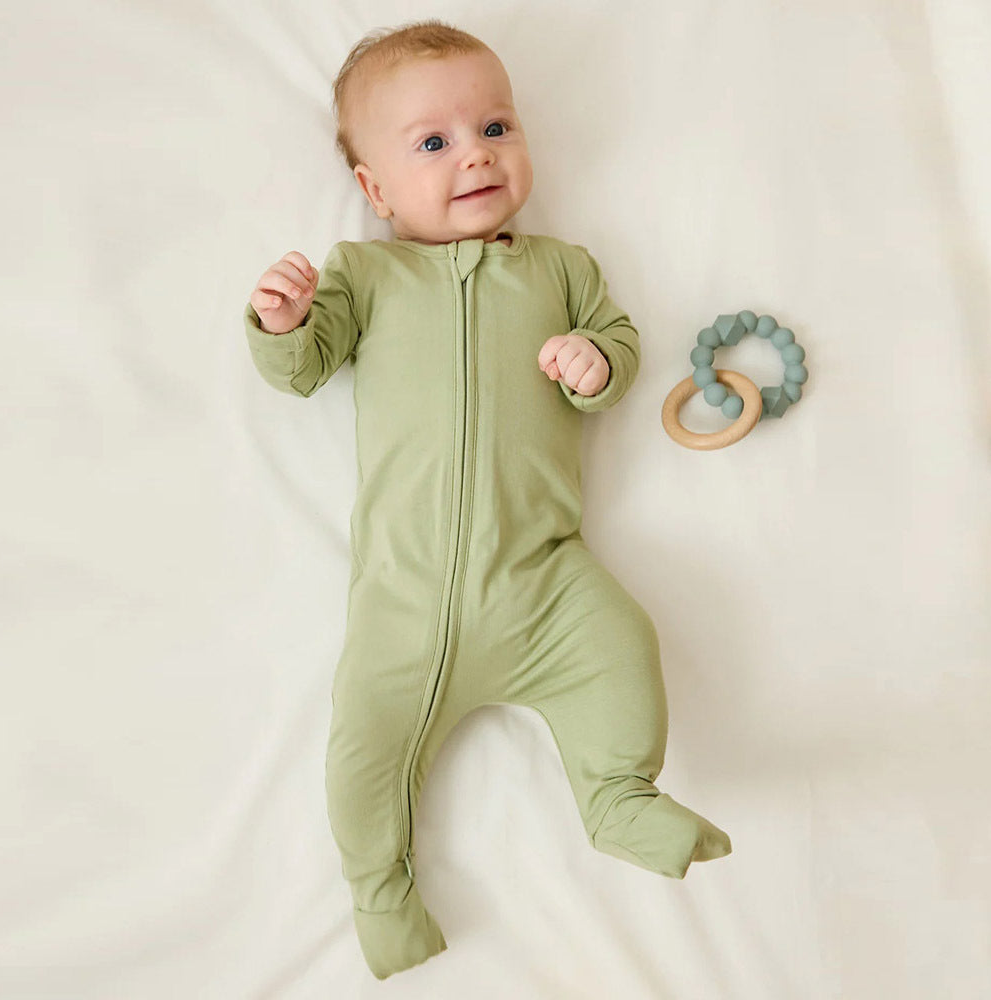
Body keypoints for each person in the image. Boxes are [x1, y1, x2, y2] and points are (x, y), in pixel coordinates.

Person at [243, 19, 732, 981]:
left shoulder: (563, 268)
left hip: (542, 579)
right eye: (433, 142)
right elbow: (303, 370)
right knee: (362, 749)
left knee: (620, 642)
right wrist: (285, 321)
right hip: (405, 600)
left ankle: (616, 795)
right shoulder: (365, 275)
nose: (476, 154)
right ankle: (381, 896)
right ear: (376, 191)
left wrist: (596, 363)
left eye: (496, 128)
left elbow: (618, 346)